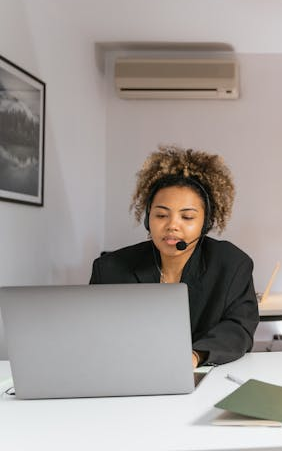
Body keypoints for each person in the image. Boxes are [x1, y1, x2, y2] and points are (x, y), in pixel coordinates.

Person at [90, 145, 259, 368]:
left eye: (187, 217)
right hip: (129, 372)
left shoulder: (231, 264)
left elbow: (240, 328)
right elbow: (94, 332)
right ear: (147, 218)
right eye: (161, 215)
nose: (172, 226)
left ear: (206, 223)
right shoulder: (109, 269)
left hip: (203, 375)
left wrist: (195, 355)